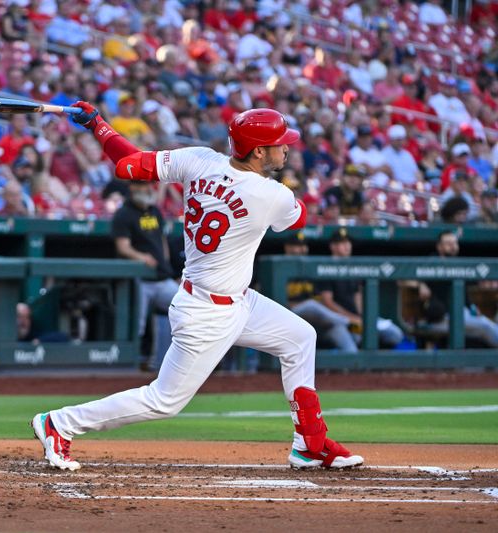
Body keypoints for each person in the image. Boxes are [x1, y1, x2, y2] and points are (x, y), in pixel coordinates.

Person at [31, 103, 363, 471]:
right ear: (258, 151)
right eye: (279, 144)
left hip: (238, 301)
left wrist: (97, 125)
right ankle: (60, 422)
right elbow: (298, 218)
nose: (286, 149)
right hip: (207, 312)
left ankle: (309, 443)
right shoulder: (272, 194)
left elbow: (129, 164)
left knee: (300, 337)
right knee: (163, 401)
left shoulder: (201, 159)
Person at [112, 179, 178, 371]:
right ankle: (129, 365)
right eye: (141, 185)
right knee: (137, 323)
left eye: (147, 185)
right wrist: (142, 257)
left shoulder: (154, 210)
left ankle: (164, 363)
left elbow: (162, 240)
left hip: (161, 277)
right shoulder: (124, 214)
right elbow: (122, 247)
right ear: (132, 189)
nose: (146, 189)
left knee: (184, 308)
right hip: (139, 279)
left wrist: (165, 261)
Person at [316, 229, 404, 349]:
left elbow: (358, 296)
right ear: (333, 246)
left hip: (356, 320)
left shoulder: (353, 267)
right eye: (342, 243)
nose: (347, 246)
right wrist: (351, 318)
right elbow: (327, 302)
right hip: (336, 321)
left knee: (394, 334)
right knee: (352, 347)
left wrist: (365, 317)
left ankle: (377, 365)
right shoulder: (324, 268)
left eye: (348, 242)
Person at [415, 231, 498, 347]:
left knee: (488, 324)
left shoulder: (459, 264)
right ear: (439, 247)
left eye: (455, 243)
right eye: (448, 243)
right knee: (485, 327)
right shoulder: (432, 261)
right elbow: (407, 276)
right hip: (442, 318)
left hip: (464, 313)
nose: (453, 246)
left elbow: (464, 296)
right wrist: (421, 284)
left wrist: (472, 307)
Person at [283, 231, 358, 352]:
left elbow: (322, 300)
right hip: (289, 317)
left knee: (342, 333)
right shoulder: (280, 268)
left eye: (303, 246)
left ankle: (354, 364)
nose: (301, 249)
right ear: (287, 247)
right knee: (311, 305)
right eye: (297, 246)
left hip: (318, 321)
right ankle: (349, 321)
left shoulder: (311, 268)